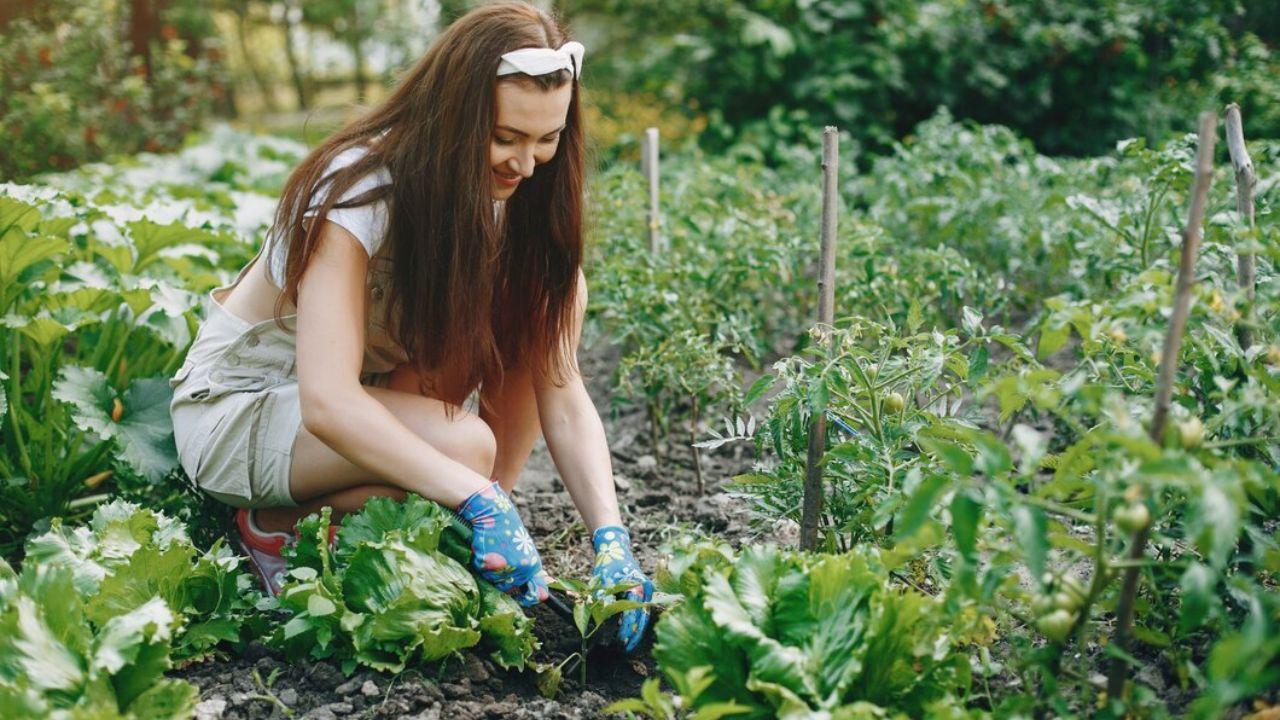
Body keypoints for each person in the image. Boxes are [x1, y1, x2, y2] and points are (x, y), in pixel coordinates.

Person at [168, 2, 652, 653]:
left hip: (357, 409)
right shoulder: (357, 191)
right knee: (465, 448)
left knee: (530, 303)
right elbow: (329, 402)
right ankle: (270, 526)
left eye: (547, 140)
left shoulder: (509, 208)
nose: (526, 164)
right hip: (243, 408)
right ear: (455, 115)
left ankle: (466, 547)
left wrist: (611, 540)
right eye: (505, 137)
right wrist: (477, 496)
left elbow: (562, 396)